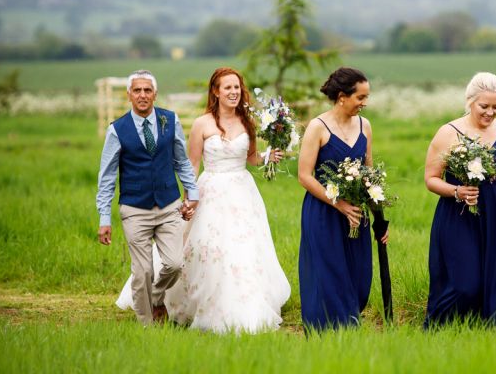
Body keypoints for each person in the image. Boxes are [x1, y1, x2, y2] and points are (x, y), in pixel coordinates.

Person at [118, 67, 291, 333]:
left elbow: (251, 157)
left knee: (242, 248)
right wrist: (190, 199)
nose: (233, 92)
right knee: (203, 248)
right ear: (216, 91)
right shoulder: (202, 123)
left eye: (237, 87)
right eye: (227, 88)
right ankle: (174, 300)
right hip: (210, 190)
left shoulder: (248, 122)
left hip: (242, 192)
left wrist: (268, 157)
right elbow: (192, 166)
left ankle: (242, 303)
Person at [423, 72, 496, 327]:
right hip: (457, 215)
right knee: (465, 284)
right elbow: (431, 178)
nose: (490, 113)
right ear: (470, 101)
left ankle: (494, 327)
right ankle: (442, 327)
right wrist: (458, 192)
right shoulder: (448, 133)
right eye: (484, 106)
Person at [97, 69, 199, 325]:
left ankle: (154, 297)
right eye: (137, 90)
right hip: (134, 208)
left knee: (174, 264)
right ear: (129, 94)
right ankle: (147, 327)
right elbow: (107, 177)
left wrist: (192, 194)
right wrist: (103, 218)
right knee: (142, 271)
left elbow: (182, 161)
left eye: (147, 90)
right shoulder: (117, 130)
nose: (142, 95)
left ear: (155, 94)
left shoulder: (170, 120)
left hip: (169, 205)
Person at [297, 67, 389, 331]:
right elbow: (305, 176)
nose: (364, 103)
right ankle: (327, 333)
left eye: (366, 97)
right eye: (360, 97)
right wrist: (338, 204)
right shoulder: (318, 127)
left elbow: (369, 175)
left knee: (359, 277)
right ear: (342, 96)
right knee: (330, 275)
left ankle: (347, 324)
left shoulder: (365, 126)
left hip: (356, 215)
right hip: (324, 212)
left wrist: (380, 220)